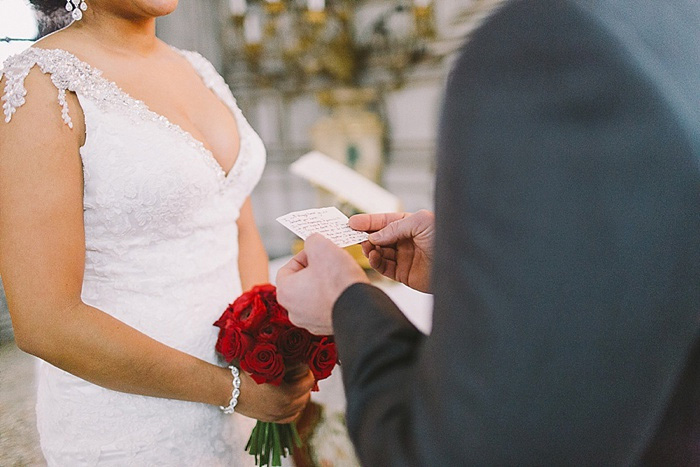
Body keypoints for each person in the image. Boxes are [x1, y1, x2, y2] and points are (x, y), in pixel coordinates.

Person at [276, 0, 700, 464]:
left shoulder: (551, 46)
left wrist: (347, 302)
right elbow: (637, 269)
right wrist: (464, 269)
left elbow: (456, 453)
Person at [0, 1, 315, 465]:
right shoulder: (41, 84)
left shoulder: (197, 68)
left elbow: (236, 224)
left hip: (246, 394)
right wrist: (232, 391)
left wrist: (268, 345)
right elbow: (45, 322)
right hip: (133, 421)